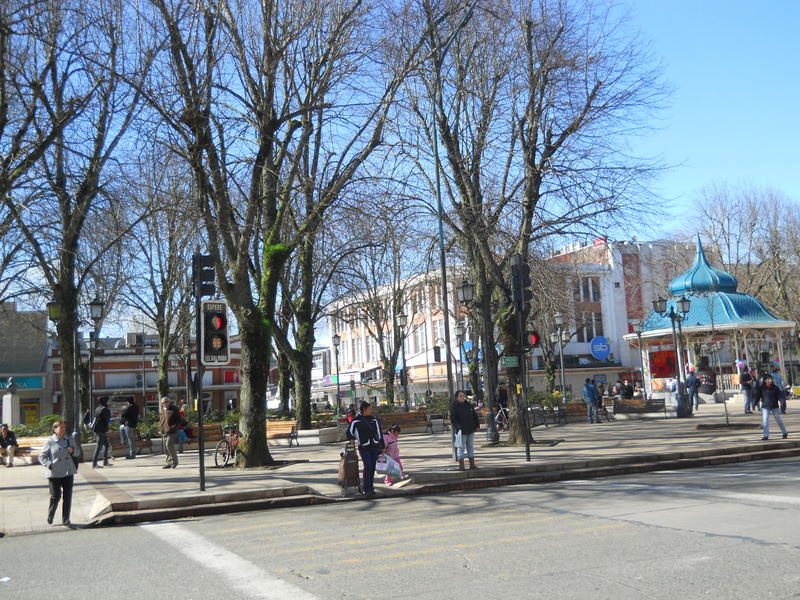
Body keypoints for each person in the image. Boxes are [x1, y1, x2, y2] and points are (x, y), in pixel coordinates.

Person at [38, 419, 78, 527]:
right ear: (54, 429)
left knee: (68, 496)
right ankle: (50, 515)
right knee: (56, 496)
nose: (62, 429)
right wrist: (49, 465)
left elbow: (78, 452)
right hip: (54, 473)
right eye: (60, 428)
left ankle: (66, 519)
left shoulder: (69, 439)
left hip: (68, 471)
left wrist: (72, 451)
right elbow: (41, 456)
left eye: (64, 427)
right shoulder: (50, 441)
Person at [347, 401, 384, 498]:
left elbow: (379, 433)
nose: (371, 410)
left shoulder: (374, 420)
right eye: (370, 408)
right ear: (364, 409)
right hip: (364, 447)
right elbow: (349, 432)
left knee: (372, 467)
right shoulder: (356, 420)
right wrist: (352, 440)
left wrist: (382, 446)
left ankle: (370, 488)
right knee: (368, 466)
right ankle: (366, 489)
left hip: (374, 446)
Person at [451, 389, 480, 471]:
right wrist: (458, 427)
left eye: (463, 396)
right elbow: (453, 419)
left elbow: (474, 416)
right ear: (457, 397)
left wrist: (477, 425)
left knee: (470, 447)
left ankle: (472, 465)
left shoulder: (469, 405)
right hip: (461, 431)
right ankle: (461, 466)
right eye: (460, 396)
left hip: (470, 429)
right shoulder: (455, 407)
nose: (462, 397)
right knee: (461, 448)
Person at [755, 374, 788, 441]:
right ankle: (766, 435)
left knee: (778, 419)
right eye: (768, 379)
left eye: (771, 379)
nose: (770, 380)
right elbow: (758, 396)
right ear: (765, 380)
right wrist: (754, 404)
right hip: (765, 406)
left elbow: (780, 397)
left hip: (774, 405)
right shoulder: (762, 388)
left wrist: (782, 403)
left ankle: (784, 432)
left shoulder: (776, 388)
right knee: (765, 420)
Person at [159, 397, 181, 469]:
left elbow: (179, 420)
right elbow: (161, 421)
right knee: (165, 448)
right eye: (163, 402)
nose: (164, 403)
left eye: (166, 402)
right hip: (164, 431)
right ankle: (169, 462)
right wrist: (160, 429)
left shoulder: (174, 409)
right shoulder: (162, 410)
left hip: (172, 431)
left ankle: (175, 462)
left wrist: (173, 426)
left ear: (169, 402)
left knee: (169, 445)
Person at [91, 397, 112, 468]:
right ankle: (94, 464)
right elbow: (107, 419)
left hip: (98, 429)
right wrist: (109, 411)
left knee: (107, 445)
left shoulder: (97, 408)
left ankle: (105, 461)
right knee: (98, 447)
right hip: (101, 430)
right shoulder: (105, 409)